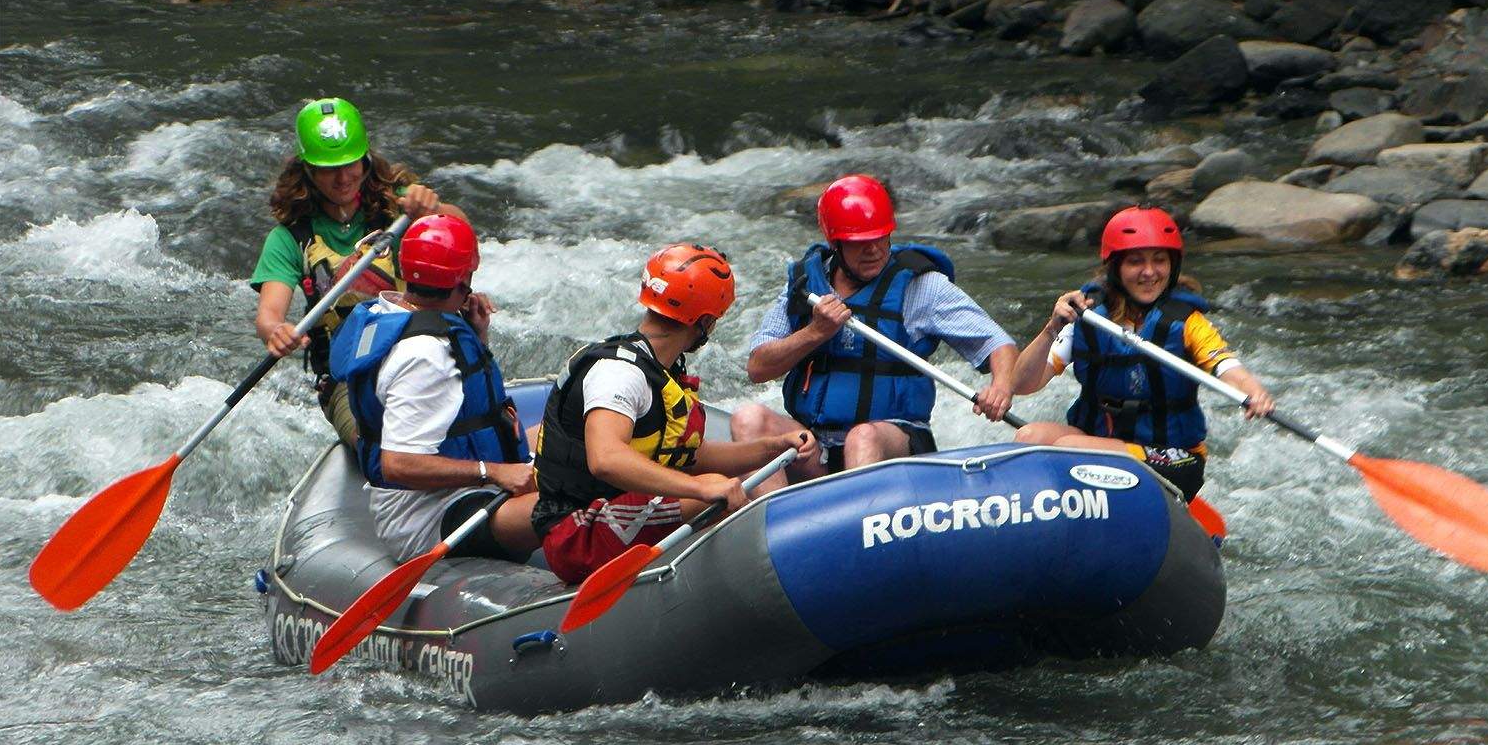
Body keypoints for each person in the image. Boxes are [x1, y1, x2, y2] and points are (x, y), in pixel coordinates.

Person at [532, 243, 814, 587]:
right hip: (578, 531)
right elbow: (606, 459)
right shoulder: (619, 373)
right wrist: (699, 488)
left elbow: (691, 457)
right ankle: (768, 583)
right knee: (712, 489)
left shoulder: (661, 371)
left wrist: (774, 447)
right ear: (706, 322)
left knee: (713, 482)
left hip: (614, 511)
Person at [731, 174, 1018, 491]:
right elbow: (758, 367)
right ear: (835, 243)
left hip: (890, 444)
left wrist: (1001, 386)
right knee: (748, 418)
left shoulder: (921, 286)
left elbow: (997, 342)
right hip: (816, 447)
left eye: (880, 237)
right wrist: (815, 332)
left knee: (862, 436)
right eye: (859, 242)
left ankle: (858, 517)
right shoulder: (804, 286)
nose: (874, 250)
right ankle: (773, 519)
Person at [1010, 206, 1274, 500]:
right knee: (1028, 437)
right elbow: (1021, 385)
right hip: (1101, 443)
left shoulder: (1188, 323)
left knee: (1067, 448)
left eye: (1159, 260)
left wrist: (1254, 392)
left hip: (1173, 458)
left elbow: (1226, 367)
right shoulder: (1088, 316)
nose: (1149, 272)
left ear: (1172, 265)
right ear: (1116, 268)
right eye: (1136, 262)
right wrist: (1051, 328)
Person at [250, 96, 469, 447]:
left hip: (423, 350)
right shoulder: (289, 238)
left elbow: (465, 240)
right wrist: (276, 331)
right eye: (328, 169)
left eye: (350, 164)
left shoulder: (399, 207)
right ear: (307, 170)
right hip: (349, 377)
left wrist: (434, 210)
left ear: (365, 160)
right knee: (383, 445)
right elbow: (269, 314)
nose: (342, 178)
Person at [327, 214, 539, 563]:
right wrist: (494, 472)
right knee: (564, 503)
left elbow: (460, 406)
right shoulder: (425, 354)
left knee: (567, 435)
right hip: (429, 515)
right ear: (463, 278)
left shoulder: (390, 310)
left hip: (456, 491)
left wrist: (476, 335)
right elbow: (397, 464)